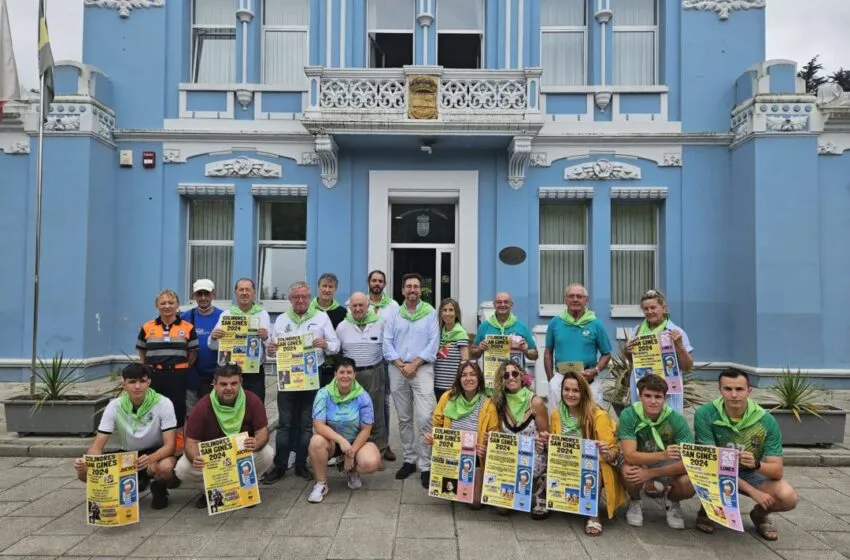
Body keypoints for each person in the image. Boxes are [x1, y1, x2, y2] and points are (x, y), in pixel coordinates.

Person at [693, 368, 799, 540]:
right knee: (685, 481)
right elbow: (709, 463)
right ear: (719, 390)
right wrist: (753, 492)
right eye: (728, 389)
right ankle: (707, 509)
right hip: (714, 471)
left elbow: (777, 471)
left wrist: (756, 464)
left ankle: (759, 515)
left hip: (750, 473)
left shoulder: (766, 420)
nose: (734, 395)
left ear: (749, 390)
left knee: (788, 497)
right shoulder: (705, 414)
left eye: (739, 389)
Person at [263, 281, 340, 483]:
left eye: (304, 297)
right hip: (287, 379)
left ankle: (301, 464)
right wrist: (270, 349)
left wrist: (325, 344)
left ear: (309, 298)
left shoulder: (321, 317)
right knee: (284, 423)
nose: (300, 300)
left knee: (307, 424)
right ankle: (280, 465)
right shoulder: (281, 320)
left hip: (312, 377)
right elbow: (271, 349)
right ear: (290, 299)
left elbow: (336, 345)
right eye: (296, 297)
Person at [72, 363, 177, 510]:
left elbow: (170, 445)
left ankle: (159, 487)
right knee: (84, 472)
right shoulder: (114, 406)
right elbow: (98, 445)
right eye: (132, 382)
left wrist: (151, 458)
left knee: (166, 468)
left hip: (154, 453)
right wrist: (88, 462)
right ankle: (129, 483)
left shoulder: (163, 403)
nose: (137, 386)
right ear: (124, 384)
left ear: (149, 382)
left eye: (142, 381)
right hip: (127, 455)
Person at [174, 364, 274, 508]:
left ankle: (247, 487)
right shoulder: (202, 406)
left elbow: (262, 431)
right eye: (223, 384)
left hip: (241, 456)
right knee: (182, 468)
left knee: (267, 453)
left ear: (241, 383)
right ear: (214, 384)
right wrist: (195, 457)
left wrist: (257, 442)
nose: (229, 388)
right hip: (214, 460)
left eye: (234, 383)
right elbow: (191, 441)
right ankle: (209, 492)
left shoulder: (252, 400)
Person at [544, 371, 627, 535]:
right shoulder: (556, 414)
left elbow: (614, 453)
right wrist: (546, 442)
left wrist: (606, 451)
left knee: (595, 469)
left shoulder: (599, 415)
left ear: (584, 392)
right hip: (566, 463)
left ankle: (593, 514)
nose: (570, 394)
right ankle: (560, 500)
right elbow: (555, 447)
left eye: (576, 390)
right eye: (566, 389)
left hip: (592, 466)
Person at [617, 374, 695, 530]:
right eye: (648, 396)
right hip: (640, 459)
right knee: (629, 472)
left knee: (690, 482)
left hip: (666, 463)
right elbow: (630, 455)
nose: (653, 401)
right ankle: (635, 500)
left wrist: (651, 473)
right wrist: (663, 455)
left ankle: (672, 501)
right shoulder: (629, 414)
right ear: (640, 396)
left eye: (658, 397)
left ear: (665, 398)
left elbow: (690, 461)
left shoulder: (676, 419)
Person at [383, 272, 439, 488]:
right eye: (409, 286)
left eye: (416, 286)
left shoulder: (430, 313)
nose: (412, 290)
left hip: (422, 369)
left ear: (420, 290)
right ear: (403, 290)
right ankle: (409, 460)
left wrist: (414, 364)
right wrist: (400, 365)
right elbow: (387, 342)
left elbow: (434, 343)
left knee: (425, 417)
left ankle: (426, 465)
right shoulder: (394, 314)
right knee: (404, 418)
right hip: (398, 369)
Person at [306, 357, 382, 502]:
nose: (345, 376)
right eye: (341, 372)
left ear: (354, 374)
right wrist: (341, 441)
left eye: (349, 372)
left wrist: (351, 452)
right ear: (335, 374)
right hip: (332, 442)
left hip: (356, 441)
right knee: (316, 442)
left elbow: (366, 429)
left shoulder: (363, 396)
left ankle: (351, 469)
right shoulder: (323, 394)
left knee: (371, 462)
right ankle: (321, 483)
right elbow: (318, 425)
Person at [425, 361, 498, 508]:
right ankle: (457, 481)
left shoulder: (488, 404)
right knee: (452, 491)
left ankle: (469, 482)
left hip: (474, 457)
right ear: (459, 379)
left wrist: (487, 448)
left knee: (476, 504)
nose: (468, 378)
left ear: (479, 378)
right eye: (464, 375)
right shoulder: (448, 397)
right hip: (450, 454)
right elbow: (437, 424)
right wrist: (434, 438)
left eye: (472, 374)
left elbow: (494, 433)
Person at [489, 361, 549, 519]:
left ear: (522, 376)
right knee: (501, 510)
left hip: (534, 458)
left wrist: (542, 442)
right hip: (510, 459)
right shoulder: (499, 403)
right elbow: (498, 434)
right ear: (501, 380)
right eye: (506, 375)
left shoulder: (535, 402)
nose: (511, 377)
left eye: (515, 373)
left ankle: (540, 487)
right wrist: (492, 438)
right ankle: (520, 490)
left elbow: (546, 435)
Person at [137, 289, 198, 433]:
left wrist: (180, 366)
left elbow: (193, 354)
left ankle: (177, 442)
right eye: (163, 303)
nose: (167, 306)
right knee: (153, 408)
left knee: (178, 409)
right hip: (154, 375)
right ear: (157, 305)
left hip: (178, 376)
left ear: (177, 305)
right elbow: (142, 351)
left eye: (171, 302)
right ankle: (155, 440)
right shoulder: (147, 327)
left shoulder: (188, 327)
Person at [336, 292, 389, 458]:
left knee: (376, 413)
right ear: (349, 307)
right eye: (355, 305)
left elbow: (387, 348)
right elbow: (337, 351)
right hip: (351, 377)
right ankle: (350, 452)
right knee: (351, 415)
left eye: (361, 305)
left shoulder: (380, 323)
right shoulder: (342, 327)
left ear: (368, 306)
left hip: (374, 373)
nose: (358, 308)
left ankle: (379, 451)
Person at [544, 283, 611, 410]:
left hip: (588, 379)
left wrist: (596, 370)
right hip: (560, 379)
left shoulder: (596, 323)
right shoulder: (555, 322)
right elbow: (548, 352)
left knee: (593, 415)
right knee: (556, 416)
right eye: (571, 296)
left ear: (586, 300)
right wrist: (551, 379)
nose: (575, 299)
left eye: (579, 296)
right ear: (565, 300)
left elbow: (606, 354)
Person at [625, 289, 694, 409]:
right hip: (642, 389)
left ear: (664, 308)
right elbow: (634, 361)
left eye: (653, 307)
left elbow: (687, 366)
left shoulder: (676, 332)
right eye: (646, 309)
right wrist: (627, 351)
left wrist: (679, 346)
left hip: (668, 392)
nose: (649, 311)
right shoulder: (636, 331)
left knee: (668, 421)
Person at [208, 278, 272, 403]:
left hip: (254, 372)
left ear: (254, 292)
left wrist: (266, 338)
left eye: (247, 290)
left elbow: (270, 349)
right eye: (241, 290)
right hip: (229, 372)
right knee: (229, 406)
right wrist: (213, 337)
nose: (244, 293)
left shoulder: (263, 315)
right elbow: (212, 346)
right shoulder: (226, 315)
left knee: (255, 407)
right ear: (235, 293)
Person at [365, 269, 399, 462]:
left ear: (384, 284)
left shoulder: (393, 306)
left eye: (380, 281)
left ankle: (385, 444)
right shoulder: (359, 302)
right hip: (364, 358)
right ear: (369, 283)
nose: (377, 283)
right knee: (363, 400)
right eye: (374, 280)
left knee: (384, 401)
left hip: (385, 358)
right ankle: (364, 441)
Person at [182, 279, 224, 412]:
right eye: (199, 294)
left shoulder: (223, 316)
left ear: (213, 295)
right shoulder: (185, 317)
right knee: (193, 413)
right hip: (192, 374)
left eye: (207, 294)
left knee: (215, 412)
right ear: (194, 296)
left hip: (216, 374)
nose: (203, 298)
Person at [470, 292, 538, 369]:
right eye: (499, 302)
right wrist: (479, 349)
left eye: (506, 302)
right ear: (494, 305)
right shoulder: (484, 326)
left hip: (514, 375)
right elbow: (472, 354)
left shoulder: (521, 326)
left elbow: (535, 355)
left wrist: (527, 351)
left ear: (511, 305)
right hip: (492, 373)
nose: (502, 305)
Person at [309, 273, 348, 387]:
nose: (327, 290)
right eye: (324, 286)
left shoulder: (342, 313)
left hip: (335, 365)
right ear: (318, 287)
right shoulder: (308, 310)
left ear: (335, 289)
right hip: (311, 363)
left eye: (331, 287)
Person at [434, 298, 470, 401]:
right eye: (444, 310)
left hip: (453, 386)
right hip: (436, 385)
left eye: (451, 310)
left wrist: (457, 384)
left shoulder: (460, 334)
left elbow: (465, 362)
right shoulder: (438, 334)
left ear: (456, 313)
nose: (447, 313)